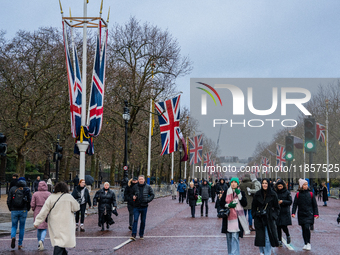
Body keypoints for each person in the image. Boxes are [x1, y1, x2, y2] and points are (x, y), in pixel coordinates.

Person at [34, 182, 79, 255]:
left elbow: (44, 211)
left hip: (55, 222)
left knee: (59, 241)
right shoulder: (68, 197)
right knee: (61, 241)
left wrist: (37, 222)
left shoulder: (51, 197)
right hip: (66, 222)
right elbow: (76, 207)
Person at [220, 177, 250, 255]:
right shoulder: (226, 192)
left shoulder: (241, 192)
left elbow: (244, 204)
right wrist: (228, 205)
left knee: (235, 237)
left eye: (235, 182)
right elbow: (221, 203)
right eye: (232, 182)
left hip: (237, 218)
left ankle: (235, 253)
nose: (233, 183)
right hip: (228, 218)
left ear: (237, 183)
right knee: (229, 238)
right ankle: (230, 253)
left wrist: (239, 195)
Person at [252, 178, 280, 255]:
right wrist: (254, 215)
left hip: (269, 218)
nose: (264, 185)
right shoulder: (257, 194)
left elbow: (277, 207)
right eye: (263, 183)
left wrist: (273, 216)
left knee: (267, 237)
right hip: (259, 218)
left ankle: (267, 253)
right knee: (260, 237)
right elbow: (253, 206)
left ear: (268, 184)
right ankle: (261, 252)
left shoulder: (273, 194)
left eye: (266, 183)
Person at [292, 179, 319, 251]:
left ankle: (308, 243)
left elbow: (315, 205)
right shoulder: (298, 194)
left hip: (309, 214)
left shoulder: (311, 194)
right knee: (303, 229)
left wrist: (316, 214)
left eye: (306, 184)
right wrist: (293, 213)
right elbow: (295, 204)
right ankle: (305, 243)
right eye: (304, 184)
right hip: (301, 214)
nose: (306, 186)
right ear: (301, 186)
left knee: (307, 228)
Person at [7, 177, 32, 250]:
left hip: (14, 210)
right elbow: (30, 200)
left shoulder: (12, 189)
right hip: (23, 210)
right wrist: (28, 208)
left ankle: (13, 237)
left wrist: (10, 208)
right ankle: (20, 244)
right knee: (22, 227)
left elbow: (9, 200)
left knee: (14, 226)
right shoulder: (27, 189)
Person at [130, 175, 154, 240]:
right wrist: (133, 197)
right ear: (138, 180)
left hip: (144, 206)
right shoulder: (135, 187)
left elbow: (152, 194)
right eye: (139, 179)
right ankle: (134, 234)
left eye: (142, 179)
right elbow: (131, 194)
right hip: (136, 206)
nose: (141, 180)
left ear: (144, 180)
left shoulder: (148, 187)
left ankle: (141, 234)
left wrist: (147, 200)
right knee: (135, 220)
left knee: (143, 221)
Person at [31, 181, 51, 251]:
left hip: (38, 209)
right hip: (46, 210)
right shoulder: (49, 194)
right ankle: (42, 240)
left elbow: (32, 203)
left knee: (38, 227)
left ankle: (39, 241)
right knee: (44, 227)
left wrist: (34, 209)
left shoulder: (35, 194)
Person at [274, 179, 292, 247]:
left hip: (284, 211)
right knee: (278, 227)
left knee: (284, 226)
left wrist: (283, 201)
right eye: (278, 186)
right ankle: (279, 240)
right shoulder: (275, 193)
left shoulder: (287, 192)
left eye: (281, 186)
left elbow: (290, 202)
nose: (280, 188)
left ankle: (288, 235)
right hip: (278, 212)